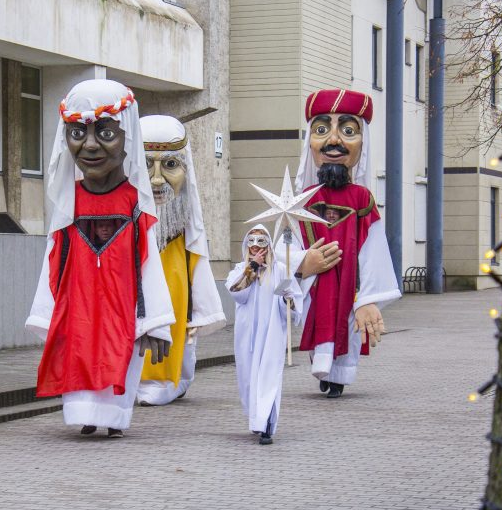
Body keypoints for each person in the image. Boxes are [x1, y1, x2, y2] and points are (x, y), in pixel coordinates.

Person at [25, 79, 175, 438]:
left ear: (127, 138)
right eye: (78, 133)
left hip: (122, 309)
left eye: (105, 133)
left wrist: (154, 322)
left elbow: (149, 264)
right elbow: (54, 260)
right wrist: (47, 314)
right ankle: (85, 415)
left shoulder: (134, 202)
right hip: (77, 309)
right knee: (79, 355)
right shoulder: (69, 202)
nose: (90, 145)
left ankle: (115, 418)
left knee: (119, 356)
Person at [280, 88, 401, 399]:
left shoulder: (362, 199)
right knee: (318, 322)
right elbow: (286, 246)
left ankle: (338, 377)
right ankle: (325, 371)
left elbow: (373, 249)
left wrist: (369, 298)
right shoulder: (301, 200)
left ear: (362, 142)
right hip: (316, 284)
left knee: (347, 327)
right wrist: (301, 265)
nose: (333, 140)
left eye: (348, 131)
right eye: (322, 130)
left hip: (350, 284)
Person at [136, 115, 226, 406]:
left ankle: (166, 380)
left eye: (171, 164)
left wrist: (200, 311)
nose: (157, 179)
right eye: (146, 164)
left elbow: (197, 265)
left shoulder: (184, 231)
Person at [226, 225, 302, 445]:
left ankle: (267, 423)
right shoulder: (240, 269)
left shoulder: (280, 270)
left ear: (268, 245)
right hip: (247, 335)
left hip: (271, 334)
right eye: (251, 241)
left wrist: (288, 299)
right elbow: (236, 292)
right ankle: (256, 418)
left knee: (269, 376)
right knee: (248, 380)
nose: (255, 246)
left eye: (261, 242)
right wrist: (252, 268)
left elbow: (292, 303)